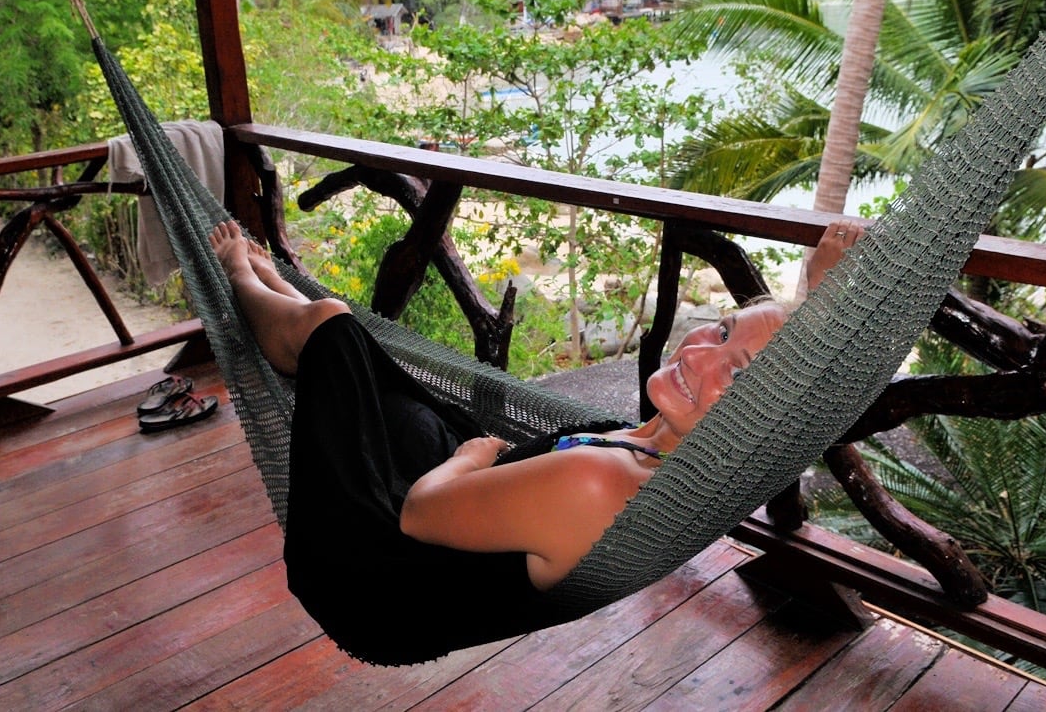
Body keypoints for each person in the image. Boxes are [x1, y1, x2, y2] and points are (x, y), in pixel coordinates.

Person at [209, 217, 865, 665]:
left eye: (741, 372)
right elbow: (793, 399)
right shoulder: (683, 454)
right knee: (348, 343)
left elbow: (416, 513)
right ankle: (286, 307)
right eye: (721, 331)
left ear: (765, 419)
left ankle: (242, 276)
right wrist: (820, 293)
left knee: (330, 330)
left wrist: (471, 455)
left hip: (372, 573)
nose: (701, 354)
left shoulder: (600, 484)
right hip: (457, 517)